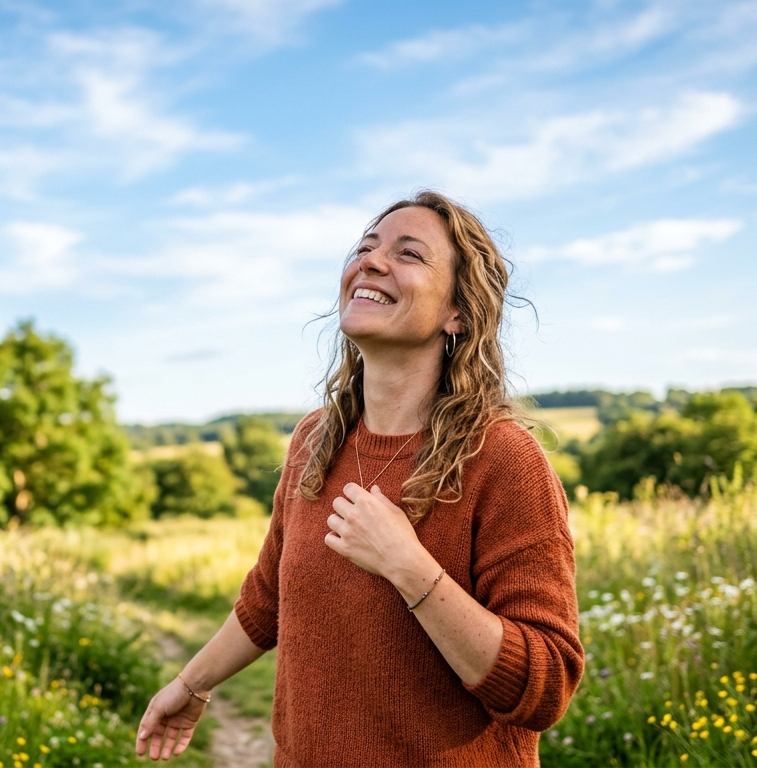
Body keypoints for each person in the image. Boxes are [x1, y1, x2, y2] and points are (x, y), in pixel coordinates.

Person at [134, 191, 583, 766]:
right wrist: (190, 685)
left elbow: (544, 689)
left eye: (409, 254)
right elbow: (269, 597)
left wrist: (408, 565)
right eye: (365, 248)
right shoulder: (314, 441)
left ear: (459, 313)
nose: (370, 261)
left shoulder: (503, 459)